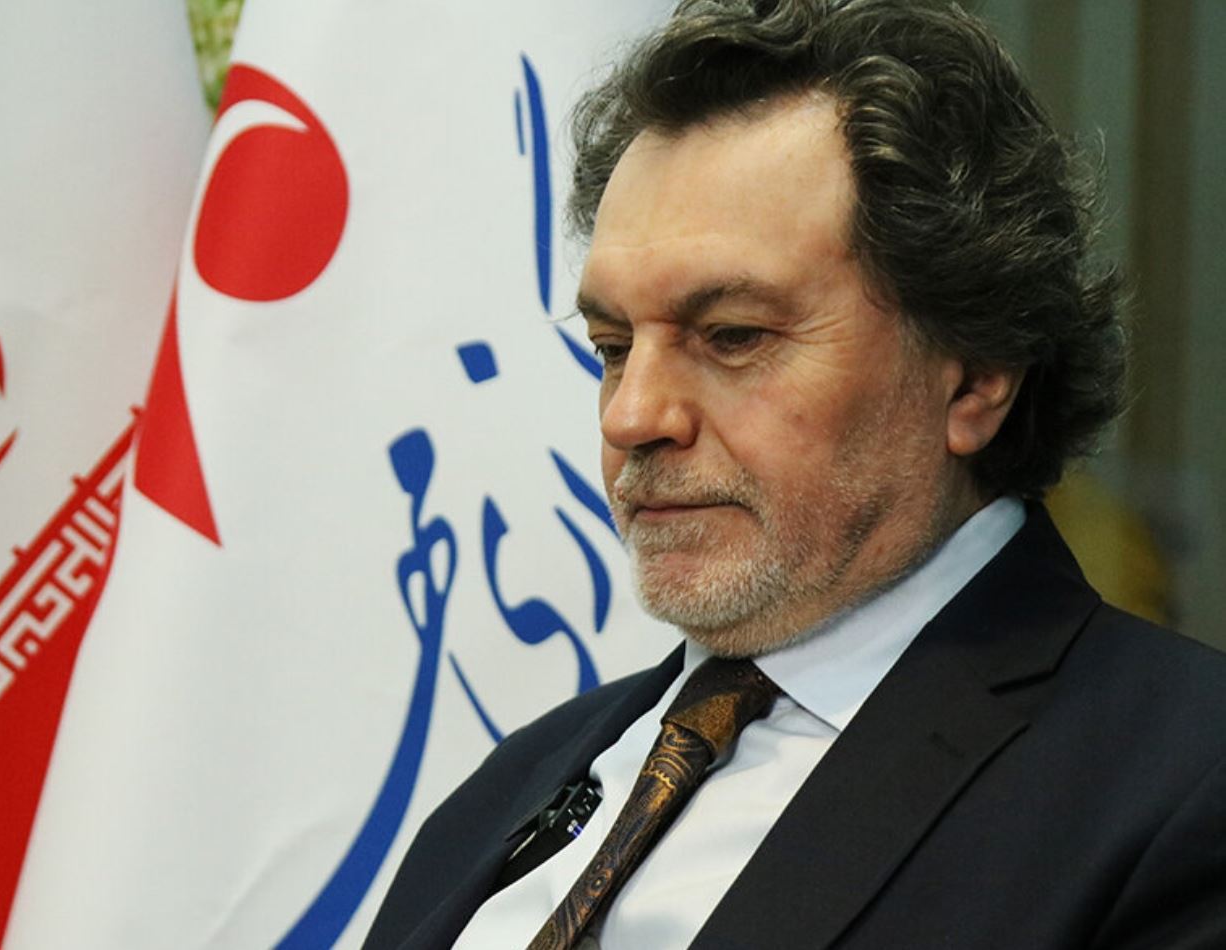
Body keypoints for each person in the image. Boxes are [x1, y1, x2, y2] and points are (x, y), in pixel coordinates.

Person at [365, 1, 1226, 947]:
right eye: (612, 347)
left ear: (976, 376)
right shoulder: (506, 793)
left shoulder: (1179, 785)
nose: (631, 417)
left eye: (733, 336)